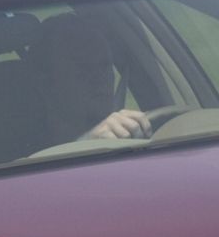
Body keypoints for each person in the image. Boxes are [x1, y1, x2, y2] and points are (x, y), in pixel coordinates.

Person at [30, 12, 152, 147]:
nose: (99, 78)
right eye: (84, 69)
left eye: (104, 66)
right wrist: (86, 145)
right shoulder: (17, 153)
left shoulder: (131, 131)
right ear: (46, 83)